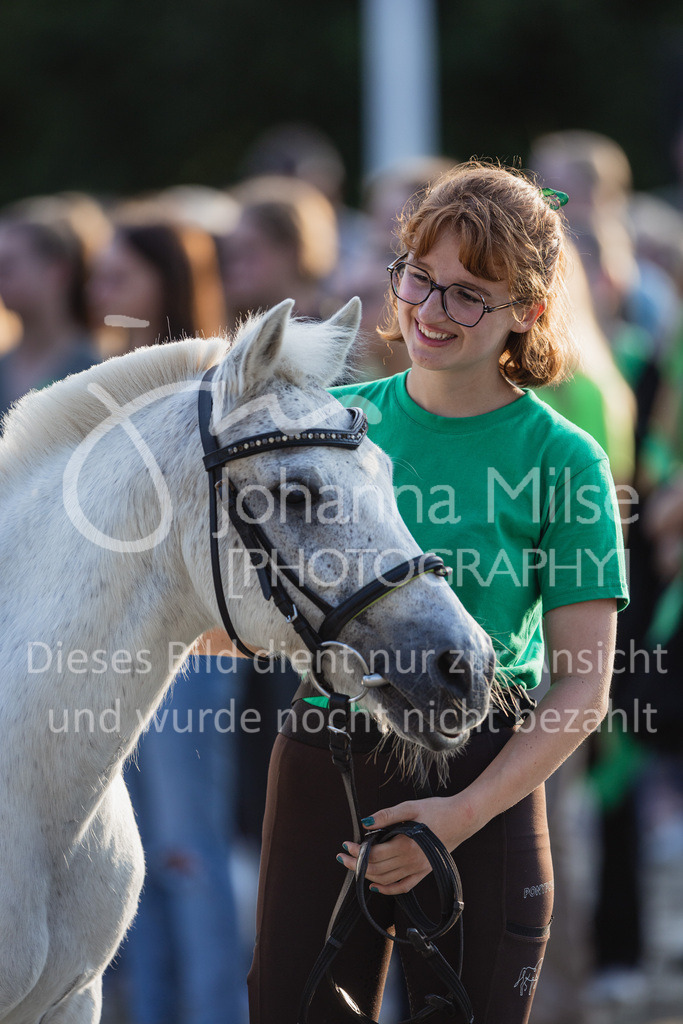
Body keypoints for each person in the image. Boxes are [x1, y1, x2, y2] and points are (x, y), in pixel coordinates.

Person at [246, 160, 629, 1024]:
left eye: (467, 294)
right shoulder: (332, 425)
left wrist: (455, 817)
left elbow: (581, 686)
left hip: (484, 776)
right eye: (419, 276)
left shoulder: (563, 458)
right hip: (327, 758)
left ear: (527, 313)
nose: (428, 309)